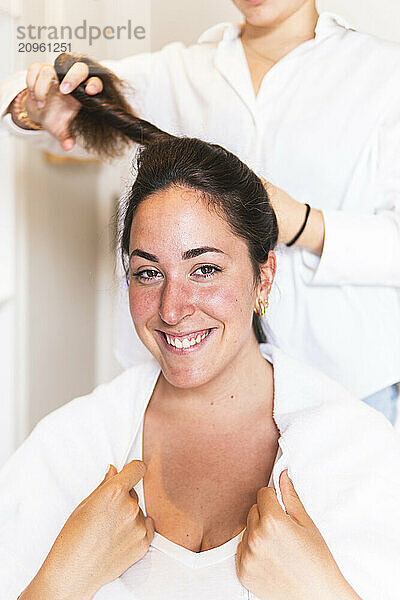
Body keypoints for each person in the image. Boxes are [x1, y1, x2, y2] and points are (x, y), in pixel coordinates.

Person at [1, 111, 400, 600]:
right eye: (148, 273)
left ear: (264, 276)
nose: (173, 308)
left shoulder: (359, 452)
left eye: (205, 269)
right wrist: (58, 583)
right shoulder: (67, 447)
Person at [0, 1, 399, 424]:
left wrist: (303, 223)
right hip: (189, 388)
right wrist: (36, 109)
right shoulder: (177, 72)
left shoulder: (385, 75)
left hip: (350, 386)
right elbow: (37, 112)